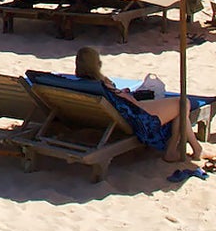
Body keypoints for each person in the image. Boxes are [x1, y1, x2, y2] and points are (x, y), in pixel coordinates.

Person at [74, 47, 202, 162]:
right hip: (135, 118)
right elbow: (129, 104)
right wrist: (131, 98)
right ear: (97, 64)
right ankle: (172, 149)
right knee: (183, 103)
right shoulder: (103, 85)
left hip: (112, 116)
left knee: (178, 111)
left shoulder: (78, 85)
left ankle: (197, 148)